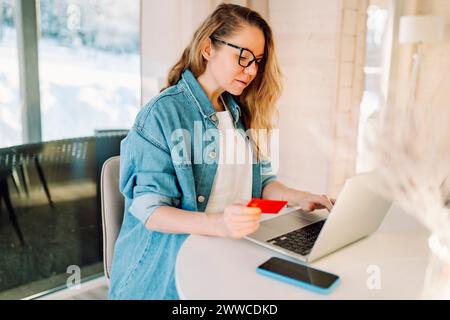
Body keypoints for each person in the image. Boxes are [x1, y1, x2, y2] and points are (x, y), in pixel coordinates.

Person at [108, 3, 334, 300]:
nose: (252, 70)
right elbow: (152, 211)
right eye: (243, 57)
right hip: (166, 274)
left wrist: (300, 197)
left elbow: (262, 182)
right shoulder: (162, 114)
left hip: (227, 252)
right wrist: (218, 225)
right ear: (207, 48)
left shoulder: (239, 111)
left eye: (258, 61)